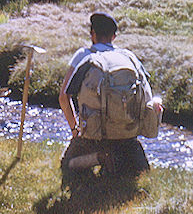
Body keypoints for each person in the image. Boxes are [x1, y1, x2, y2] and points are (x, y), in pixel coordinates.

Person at [59, 12, 162, 186]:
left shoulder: (84, 55)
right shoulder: (129, 58)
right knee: (140, 173)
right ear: (114, 37)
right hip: (128, 136)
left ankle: (99, 158)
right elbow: (147, 98)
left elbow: (64, 97)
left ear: (92, 34)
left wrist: (75, 130)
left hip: (93, 137)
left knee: (67, 165)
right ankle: (119, 160)